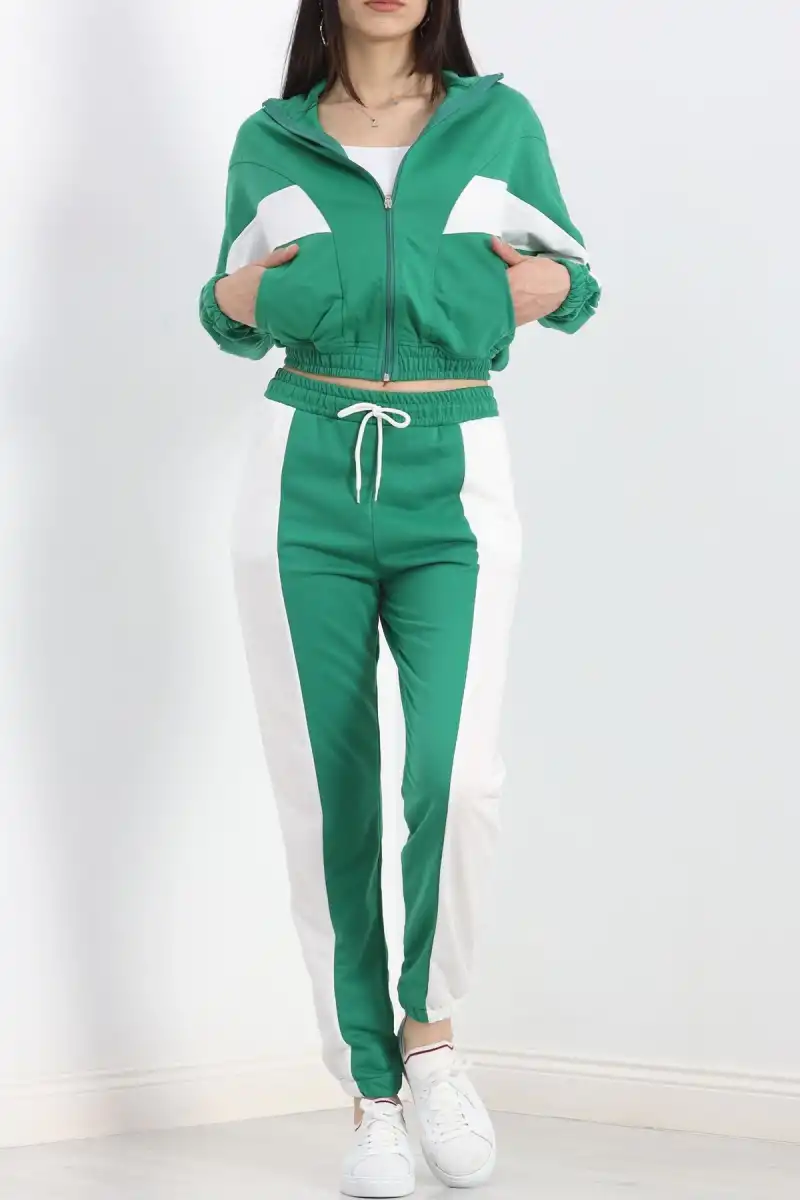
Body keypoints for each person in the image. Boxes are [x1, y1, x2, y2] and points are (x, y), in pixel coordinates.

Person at [199, 0, 599, 1193]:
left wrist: (545, 284)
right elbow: (223, 306)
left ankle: (431, 1037)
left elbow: (574, 281)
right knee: (327, 800)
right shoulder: (272, 137)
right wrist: (239, 301)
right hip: (300, 479)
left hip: (452, 472)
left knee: (457, 781)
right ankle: (370, 1094)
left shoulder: (495, 121)